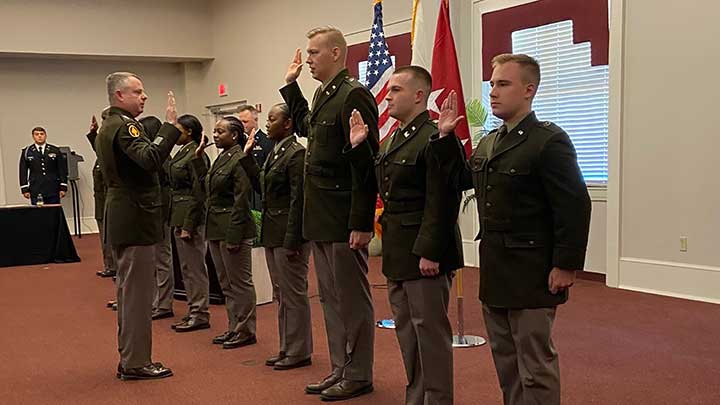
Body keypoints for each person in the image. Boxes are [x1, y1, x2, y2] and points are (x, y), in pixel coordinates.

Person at [433, 54, 592, 405]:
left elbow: (574, 204)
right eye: (492, 84)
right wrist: (446, 139)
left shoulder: (548, 141)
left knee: (534, 367)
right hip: (497, 270)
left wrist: (566, 263)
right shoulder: (491, 142)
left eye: (503, 84)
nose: (493, 92)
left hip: (532, 272)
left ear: (529, 90)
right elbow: (462, 180)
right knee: (506, 362)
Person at [344, 66, 463, 405]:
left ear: (419, 96)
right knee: (408, 334)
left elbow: (443, 198)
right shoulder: (395, 137)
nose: (389, 95)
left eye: (396, 90)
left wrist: (431, 250)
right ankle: (417, 396)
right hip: (399, 249)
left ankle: (437, 400)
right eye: (389, 89)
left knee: (430, 335)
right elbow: (384, 185)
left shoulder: (434, 135)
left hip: (424, 251)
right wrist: (360, 148)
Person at [280, 25, 379, 401]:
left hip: (342, 217)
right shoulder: (325, 93)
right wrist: (291, 89)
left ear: (337, 53)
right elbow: (307, 127)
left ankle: (358, 373)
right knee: (331, 299)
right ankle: (340, 367)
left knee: (351, 300)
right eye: (307, 54)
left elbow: (365, 165)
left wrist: (361, 222)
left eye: (314, 53)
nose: (307, 60)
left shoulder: (354, 95)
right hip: (321, 215)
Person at [95, 71, 180, 380]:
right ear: (120, 96)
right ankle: (136, 362)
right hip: (136, 215)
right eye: (138, 92)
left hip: (125, 215)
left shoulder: (108, 123)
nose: (144, 97)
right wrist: (169, 126)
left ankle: (130, 357)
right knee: (137, 297)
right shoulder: (126, 126)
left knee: (129, 293)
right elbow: (149, 159)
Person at [242, 103, 312, 370]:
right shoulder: (276, 152)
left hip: (288, 234)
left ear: (288, 124)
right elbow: (263, 187)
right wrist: (248, 159)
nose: (266, 124)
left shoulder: (296, 154)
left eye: (272, 119)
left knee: (294, 294)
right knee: (281, 293)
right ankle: (287, 347)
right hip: (274, 232)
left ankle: (299, 350)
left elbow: (299, 200)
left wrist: (293, 240)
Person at [191, 116, 258, 350]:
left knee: (240, 283)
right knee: (225, 283)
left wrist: (234, 236)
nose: (215, 135)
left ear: (235, 135)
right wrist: (198, 158)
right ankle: (233, 327)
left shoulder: (240, 159)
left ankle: (246, 330)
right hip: (216, 227)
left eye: (220, 132)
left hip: (233, 228)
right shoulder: (222, 157)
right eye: (215, 131)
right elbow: (206, 187)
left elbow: (242, 201)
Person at [168, 114, 211, 333]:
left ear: (190, 132)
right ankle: (193, 309)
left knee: (195, 269)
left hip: (191, 218)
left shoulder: (197, 153)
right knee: (186, 268)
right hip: (179, 214)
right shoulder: (182, 151)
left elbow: (198, 193)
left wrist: (188, 224)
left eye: (179, 130)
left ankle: (200, 313)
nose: (176, 135)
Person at [140, 115, 175, 321]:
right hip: (153, 211)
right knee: (155, 260)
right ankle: (156, 300)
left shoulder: (161, 158)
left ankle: (163, 303)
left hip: (161, 211)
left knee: (163, 259)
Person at [87, 111, 117, 278]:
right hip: (101, 200)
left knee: (112, 237)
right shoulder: (102, 151)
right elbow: (100, 148)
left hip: (111, 200)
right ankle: (109, 265)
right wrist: (94, 134)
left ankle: (115, 266)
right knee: (104, 236)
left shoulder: (115, 145)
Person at [238, 104, 273, 212]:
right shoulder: (239, 143)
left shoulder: (267, 141)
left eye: (245, 121)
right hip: (242, 192)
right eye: (240, 122)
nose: (242, 125)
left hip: (258, 193)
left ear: (256, 120)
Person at [19, 127, 68, 205]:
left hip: (53, 187)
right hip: (36, 188)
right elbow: (23, 171)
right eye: (37, 134)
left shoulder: (54, 150)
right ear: (33, 136)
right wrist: (24, 189)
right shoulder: (27, 151)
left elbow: (62, 169)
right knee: (38, 214)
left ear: (45, 135)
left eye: (42, 134)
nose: (39, 136)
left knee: (53, 213)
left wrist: (63, 187)